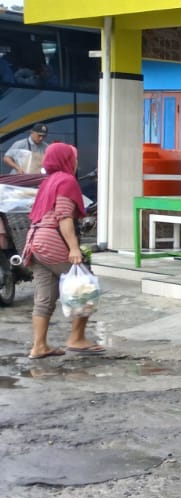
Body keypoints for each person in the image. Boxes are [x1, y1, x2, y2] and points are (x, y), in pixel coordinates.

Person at [23, 142, 102, 359]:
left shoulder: (48, 181)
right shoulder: (66, 181)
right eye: (73, 158)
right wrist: (74, 248)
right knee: (85, 286)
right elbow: (64, 217)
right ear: (66, 160)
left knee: (44, 297)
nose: (76, 162)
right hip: (52, 240)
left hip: (35, 241)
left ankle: (39, 346)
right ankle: (76, 339)